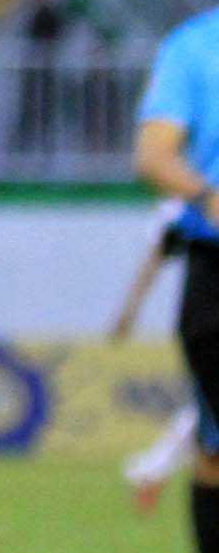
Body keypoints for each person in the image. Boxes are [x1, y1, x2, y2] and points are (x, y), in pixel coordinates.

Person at [129, 0, 219, 553]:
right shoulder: (193, 48)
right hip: (214, 265)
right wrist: (207, 195)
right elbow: (154, 154)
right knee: (214, 447)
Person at [106, 203, 196, 517]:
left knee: (209, 408)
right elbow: (156, 257)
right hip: (208, 317)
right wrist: (129, 311)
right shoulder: (186, 206)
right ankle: (153, 467)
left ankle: (153, 467)